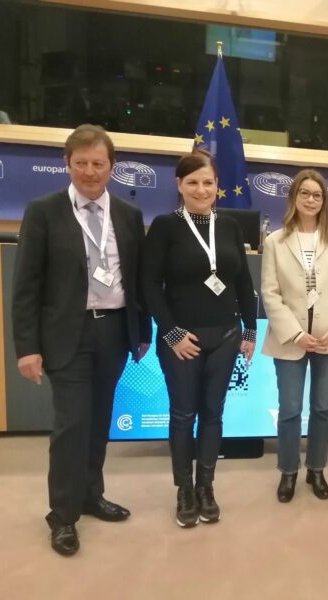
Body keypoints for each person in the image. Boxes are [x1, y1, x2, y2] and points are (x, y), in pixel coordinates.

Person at [12, 124, 151, 556]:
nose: (90, 171)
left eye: (98, 163)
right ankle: (63, 516)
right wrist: (27, 348)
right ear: (66, 164)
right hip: (65, 335)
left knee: (98, 420)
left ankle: (91, 495)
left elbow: (139, 280)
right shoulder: (43, 211)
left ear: (112, 167)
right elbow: (26, 286)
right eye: (81, 163)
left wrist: (141, 331)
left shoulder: (128, 215)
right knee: (71, 425)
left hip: (114, 331)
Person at [142, 150, 257, 528]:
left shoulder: (230, 226)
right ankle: (184, 489)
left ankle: (206, 486)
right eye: (192, 182)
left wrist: (250, 330)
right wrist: (171, 332)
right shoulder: (164, 226)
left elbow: (243, 281)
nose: (201, 189)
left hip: (226, 336)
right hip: (182, 340)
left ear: (217, 186)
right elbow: (149, 285)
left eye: (208, 182)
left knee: (213, 413)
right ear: (179, 185)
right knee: (183, 414)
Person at [260, 169, 328, 503]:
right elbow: (270, 293)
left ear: (324, 200)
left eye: (317, 195)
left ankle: (316, 469)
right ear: (294, 197)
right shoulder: (275, 241)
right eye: (305, 193)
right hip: (290, 339)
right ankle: (288, 471)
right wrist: (296, 334)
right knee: (289, 409)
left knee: (323, 408)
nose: (311, 200)